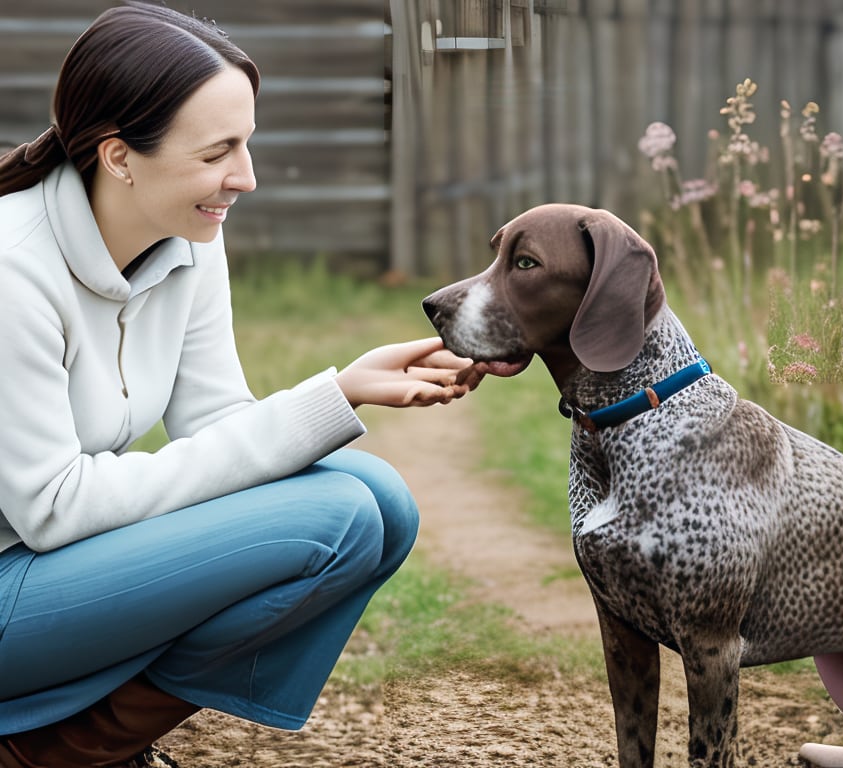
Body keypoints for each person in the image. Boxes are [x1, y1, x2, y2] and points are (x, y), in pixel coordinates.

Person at [0, 3, 485, 766]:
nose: (246, 178)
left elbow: (217, 423)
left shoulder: (189, 237)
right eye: (218, 151)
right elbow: (55, 509)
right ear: (120, 156)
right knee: (337, 519)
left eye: (247, 143)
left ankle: (80, 742)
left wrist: (348, 393)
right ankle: (54, 752)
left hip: (52, 571)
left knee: (380, 500)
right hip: (11, 583)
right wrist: (333, 396)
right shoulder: (12, 270)